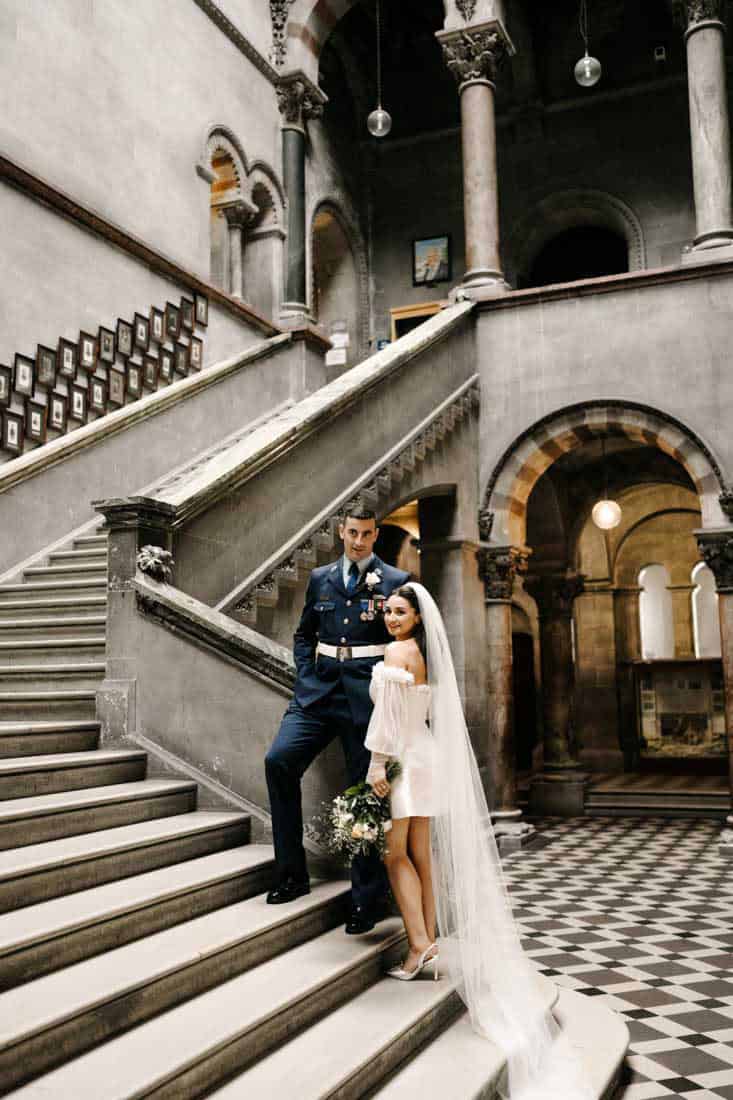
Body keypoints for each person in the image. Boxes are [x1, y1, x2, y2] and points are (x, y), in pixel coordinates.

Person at [364, 582, 594, 1100]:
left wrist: (377, 764)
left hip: (401, 756)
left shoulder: (398, 652)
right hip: (424, 754)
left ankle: (419, 944)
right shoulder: (420, 653)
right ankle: (429, 942)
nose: (392, 618)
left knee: (394, 852)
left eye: (400, 612)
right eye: (388, 611)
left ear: (417, 619)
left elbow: (388, 719)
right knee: (421, 850)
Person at [264, 506, 410, 934]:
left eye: (366, 534)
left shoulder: (396, 582)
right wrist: (306, 678)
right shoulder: (320, 577)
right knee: (279, 761)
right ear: (339, 531)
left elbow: (402, 643)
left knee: (367, 792)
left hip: (367, 700)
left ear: (375, 534)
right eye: (352, 533)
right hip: (318, 694)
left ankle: (366, 901)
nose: (359, 541)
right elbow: (305, 634)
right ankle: (291, 876)